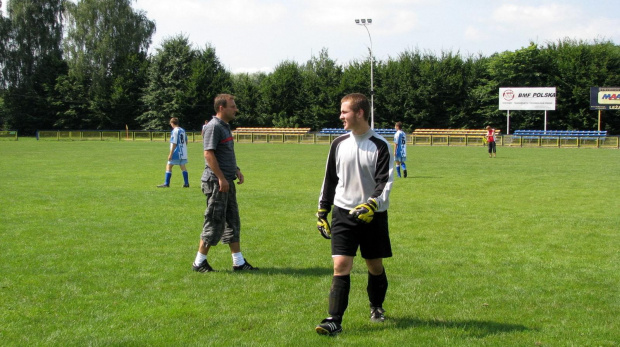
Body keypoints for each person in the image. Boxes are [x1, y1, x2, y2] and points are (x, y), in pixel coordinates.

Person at [315, 93, 394, 336]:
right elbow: (330, 179)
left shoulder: (381, 145)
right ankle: (333, 320)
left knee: (374, 266)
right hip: (343, 213)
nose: (341, 116)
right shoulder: (338, 143)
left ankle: (376, 307)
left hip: (373, 215)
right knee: (341, 265)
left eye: (344, 112)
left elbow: (384, 182)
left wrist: (371, 204)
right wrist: (322, 210)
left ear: (359, 113)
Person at [192, 94, 258, 272]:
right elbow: (209, 154)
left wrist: (235, 169)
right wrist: (221, 178)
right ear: (221, 108)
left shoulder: (225, 126)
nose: (236, 109)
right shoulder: (213, 127)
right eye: (233, 106)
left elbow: (224, 153)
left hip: (226, 181)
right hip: (216, 182)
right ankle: (199, 263)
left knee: (232, 222)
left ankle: (239, 262)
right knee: (214, 221)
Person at [157, 117, 189, 188]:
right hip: (183, 152)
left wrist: (170, 154)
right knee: (183, 166)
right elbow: (186, 141)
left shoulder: (174, 131)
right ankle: (186, 183)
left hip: (176, 152)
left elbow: (174, 143)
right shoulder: (182, 130)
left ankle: (166, 183)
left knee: (169, 165)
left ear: (172, 123)